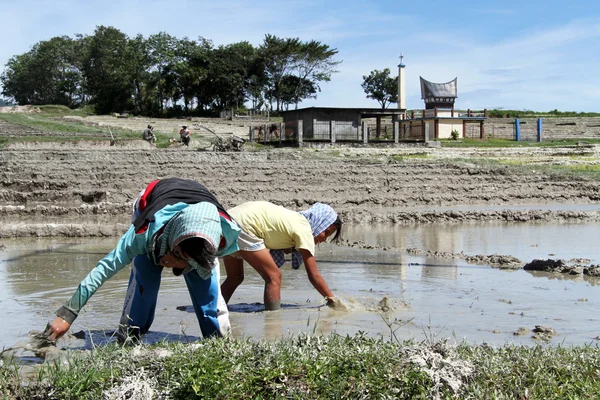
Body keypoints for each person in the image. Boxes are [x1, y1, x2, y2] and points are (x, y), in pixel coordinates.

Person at [45, 178, 241, 343]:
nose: (181, 261)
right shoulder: (143, 234)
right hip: (152, 204)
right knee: (145, 283)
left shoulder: (220, 236)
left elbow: (207, 276)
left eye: (190, 260)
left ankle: (218, 344)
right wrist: (67, 315)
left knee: (209, 299)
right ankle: (129, 338)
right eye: (179, 254)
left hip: (200, 212)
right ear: (174, 243)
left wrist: (184, 263)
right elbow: (104, 268)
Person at [220, 201, 342, 311]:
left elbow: (280, 242)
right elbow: (314, 275)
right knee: (274, 276)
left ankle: (213, 310)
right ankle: (272, 321)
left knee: (234, 277)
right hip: (245, 225)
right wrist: (333, 300)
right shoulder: (304, 229)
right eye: (326, 232)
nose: (324, 239)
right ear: (319, 222)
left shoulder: (295, 220)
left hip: (227, 220)